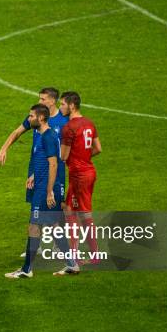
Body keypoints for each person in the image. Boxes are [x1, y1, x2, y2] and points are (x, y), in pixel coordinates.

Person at [5, 105, 79, 278]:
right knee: (53, 227)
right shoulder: (42, 135)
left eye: (31, 116)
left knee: (34, 225)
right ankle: (72, 264)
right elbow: (43, 161)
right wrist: (34, 175)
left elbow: (54, 164)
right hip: (41, 184)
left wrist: (49, 192)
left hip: (45, 189)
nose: (28, 118)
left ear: (41, 118)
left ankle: (26, 269)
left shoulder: (48, 137)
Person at [0, 88, 68, 257]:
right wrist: (3, 149)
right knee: (37, 207)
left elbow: (63, 153)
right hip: (35, 168)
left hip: (54, 170)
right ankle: (40, 245)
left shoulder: (63, 122)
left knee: (57, 207)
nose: (40, 101)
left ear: (52, 101)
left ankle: (60, 247)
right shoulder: (35, 117)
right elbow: (17, 132)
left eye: (43, 99)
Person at [60, 91, 102, 265]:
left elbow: (63, 156)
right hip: (89, 172)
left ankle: (89, 255)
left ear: (71, 106)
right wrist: (83, 158)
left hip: (79, 176)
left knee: (82, 214)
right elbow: (98, 148)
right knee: (70, 209)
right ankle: (80, 254)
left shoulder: (69, 127)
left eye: (62, 104)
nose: (61, 107)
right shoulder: (89, 123)